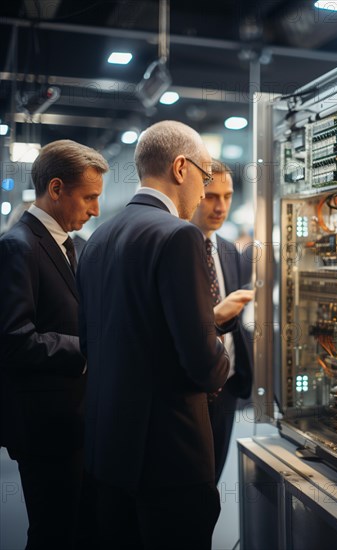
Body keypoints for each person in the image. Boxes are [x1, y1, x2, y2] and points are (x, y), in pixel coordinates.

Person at [76, 120, 253, 549]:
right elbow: (201, 362)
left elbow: (90, 342)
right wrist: (223, 351)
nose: (206, 188)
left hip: (108, 450)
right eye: (205, 175)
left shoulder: (98, 239)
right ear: (180, 168)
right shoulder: (179, 235)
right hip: (168, 456)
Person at [0, 139, 108, 549]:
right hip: (44, 426)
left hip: (80, 421)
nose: (95, 209)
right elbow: (13, 340)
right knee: (53, 533)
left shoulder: (76, 246)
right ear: (57, 188)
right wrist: (88, 348)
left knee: (85, 530)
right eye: (89, 198)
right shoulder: (17, 247)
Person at [191, 159, 254, 484]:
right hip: (191, 390)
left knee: (212, 481)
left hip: (227, 385)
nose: (221, 206)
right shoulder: (175, 247)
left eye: (227, 196)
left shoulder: (229, 251)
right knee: (189, 487)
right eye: (211, 196)